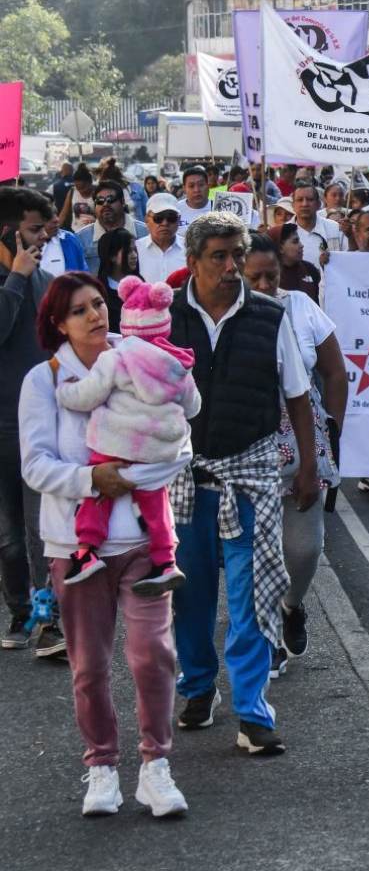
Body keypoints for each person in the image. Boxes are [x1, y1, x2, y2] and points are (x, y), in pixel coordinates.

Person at [20, 272, 190, 818]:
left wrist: (136, 478)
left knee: (153, 657)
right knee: (89, 667)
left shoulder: (142, 356)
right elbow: (36, 465)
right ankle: (101, 767)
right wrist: (96, 481)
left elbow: (180, 436)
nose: (95, 315)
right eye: (79, 310)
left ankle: (155, 767)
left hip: (144, 542)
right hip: (75, 546)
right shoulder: (44, 381)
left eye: (99, 303)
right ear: (57, 324)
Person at [166, 212, 320, 754]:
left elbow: (296, 396)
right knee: (190, 595)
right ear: (193, 263)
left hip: (250, 475)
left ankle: (253, 712)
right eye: (220, 257)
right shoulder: (162, 318)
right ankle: (198, 688)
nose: (232, 267)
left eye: (237, 255)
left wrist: (307, 465)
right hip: (184, 478)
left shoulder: (270, 316)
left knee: (252, 598)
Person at [241, 234, 348, 675]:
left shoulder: (302, 307)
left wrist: (333, 427)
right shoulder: (230, 314)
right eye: (256, 277)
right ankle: (267, 641)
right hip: (246, 442)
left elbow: (335, 371)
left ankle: (291, 604)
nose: (266, 284)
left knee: (303, 548)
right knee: (253, 552)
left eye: (272, 275)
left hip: (301, 436)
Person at [51, 276, 198, 590]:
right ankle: (166, 561)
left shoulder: (116, 357)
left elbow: (88, 395)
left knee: (98, 488)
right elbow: (194, 406)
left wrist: (63, 392)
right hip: (160, 448)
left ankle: (87, 549)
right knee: (155, 498)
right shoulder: (178, 362)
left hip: (118, 442)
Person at [0, 186, 62, 657]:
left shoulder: (41, 277)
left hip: (38, 425)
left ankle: (48, 618)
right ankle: (20, 611)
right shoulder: (23, 278)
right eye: (34, 229)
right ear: (7, 232)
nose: (43, 237)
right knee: (8, 534)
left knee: (44, 526)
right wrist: (16, 279)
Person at [77, 178, 146, 274]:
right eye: (100, 201)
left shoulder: (145, 233)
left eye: (110, 199)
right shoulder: (80, 239)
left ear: (122, 202)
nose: (105, 204)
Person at [135, 194, 187, 284]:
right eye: (158, 218)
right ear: (147, 220)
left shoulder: (190, 249)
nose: (165, 223)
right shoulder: (135, 250)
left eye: (171, 218)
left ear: (179, 220)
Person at [290, 182, 343, 269]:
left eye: (310, 199)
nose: (305, 204)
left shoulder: (334, 228)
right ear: (293, 205)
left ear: (318, 204)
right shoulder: (283, 232)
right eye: (300, 200)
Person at [273, 224, 321, 302]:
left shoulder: (310, 269)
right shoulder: (271, 276)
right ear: (280, 247)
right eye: (295, 242)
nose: (301, 245)